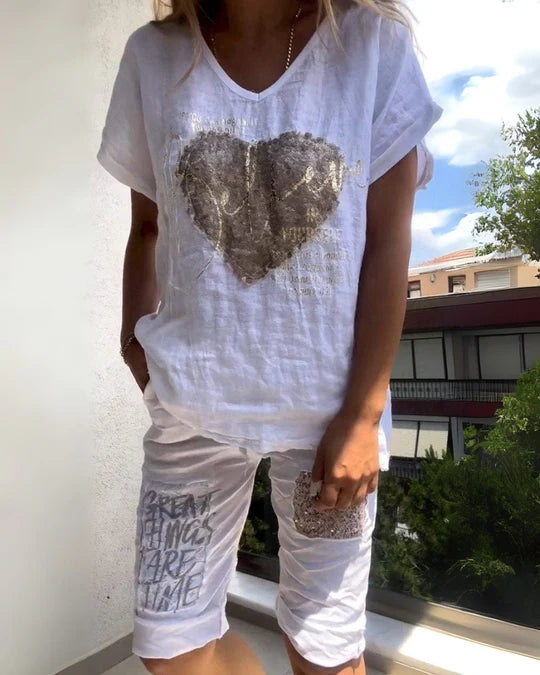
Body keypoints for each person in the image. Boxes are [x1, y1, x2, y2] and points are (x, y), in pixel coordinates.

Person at [96, 0, 442, 673]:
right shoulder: (153, 55)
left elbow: (387, 244)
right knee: (169, 645)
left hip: (328, 421)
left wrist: (363, 416)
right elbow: (148, 225)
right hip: (190, 414)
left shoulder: (373, 45)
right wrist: (133, 342)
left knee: (325, 652)